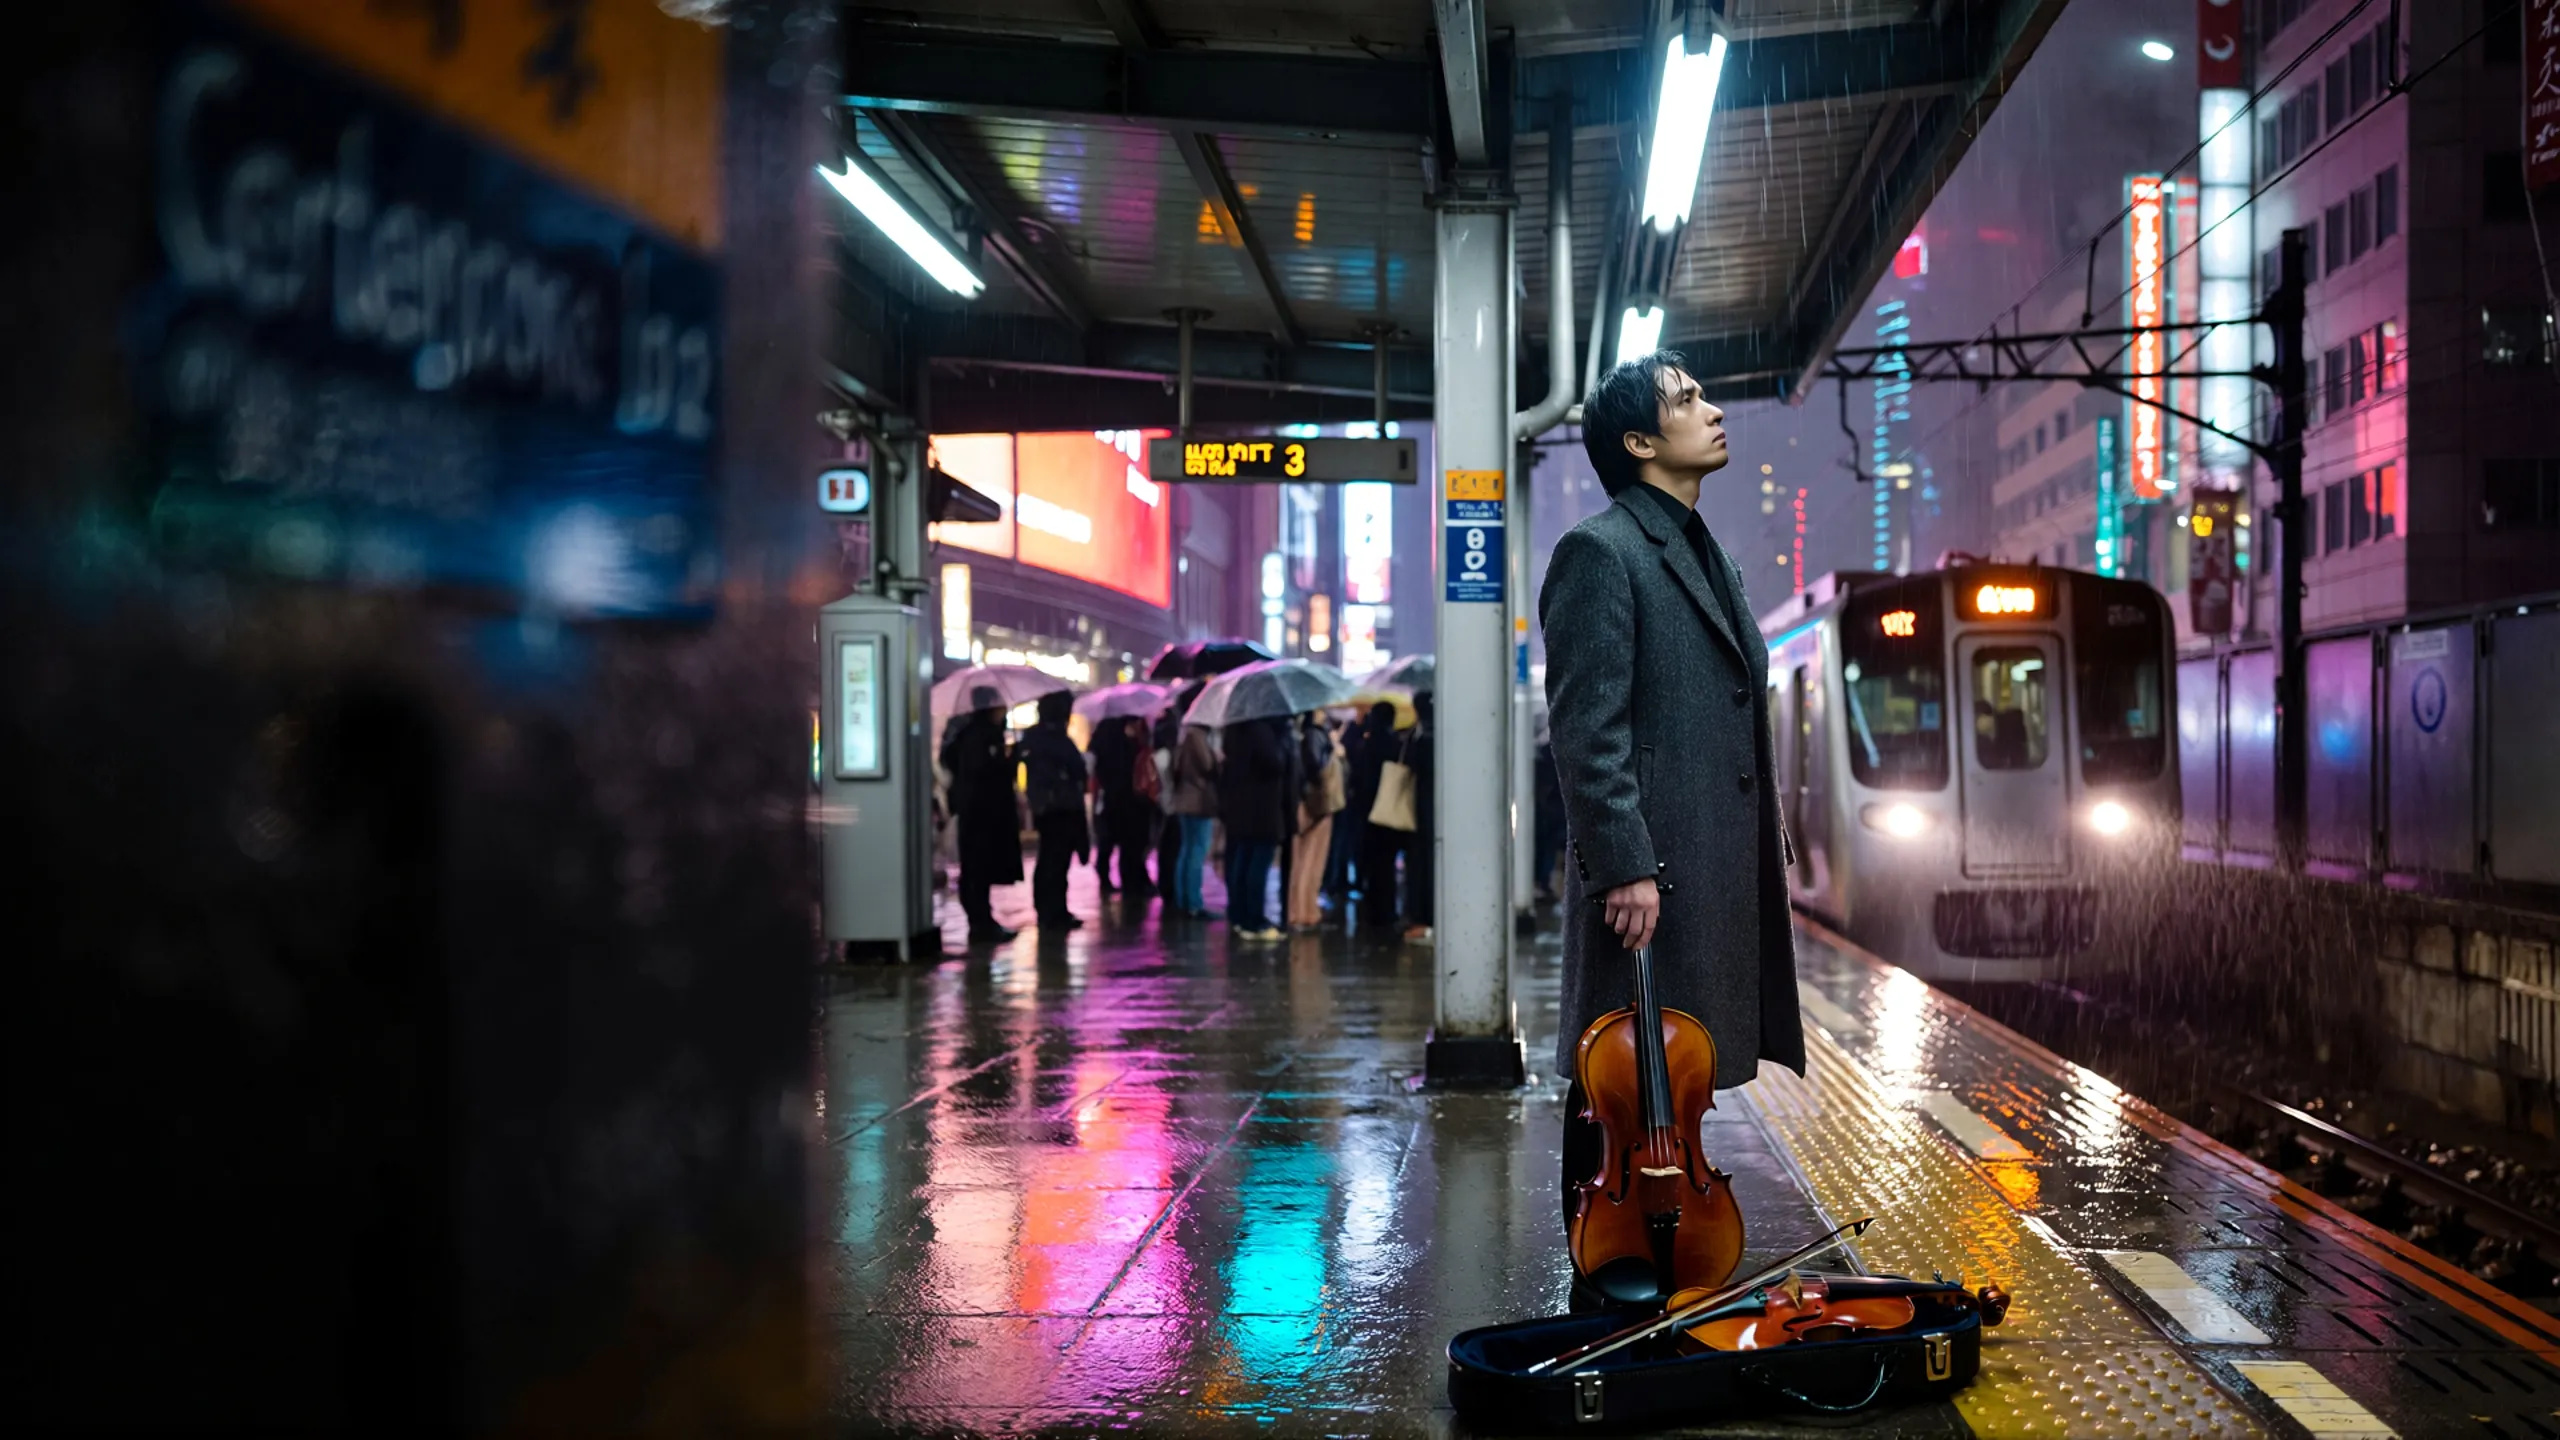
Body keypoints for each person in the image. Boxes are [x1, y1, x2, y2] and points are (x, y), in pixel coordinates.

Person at [1540, 349, 1804, 1255]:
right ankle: (1604, 1268)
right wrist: (1622, 865)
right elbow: (1586, 728)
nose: (1713, 409)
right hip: (1651, 876)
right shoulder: (1600, 552)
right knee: (1615, 1081)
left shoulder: (1702, 550)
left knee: (1670, 1086)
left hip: (1700, 862)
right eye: (1688, 400)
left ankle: (1662, 1263)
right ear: (1641, 442)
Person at [938, 685, 1021, 943]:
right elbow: (988, 774)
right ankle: (981, 923)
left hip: (975, 811)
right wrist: (1010, 760)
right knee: (978, 869)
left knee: (976, 868)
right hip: (983, 813)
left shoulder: (967, 734)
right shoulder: (982, 736)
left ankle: (982, 921)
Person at [1013, 690, 1090, 931]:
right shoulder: (1057, 740)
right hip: (1062, 807)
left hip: (1044, 808)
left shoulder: (1032, 738)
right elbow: (1078, 770)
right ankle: (1054, 912)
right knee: (1057, 861)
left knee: (1047, 859)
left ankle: (1047, 911)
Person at [1217, 713, 1295, 940]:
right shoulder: (1261, 730)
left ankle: (1240, 916)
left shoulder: (1235, 728)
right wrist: (1282, 738)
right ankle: (1254, 921)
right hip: (1262, 809)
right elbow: (1275, 763)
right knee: (1257, 864)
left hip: (1241, 808)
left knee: (1243, 861)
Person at [1285, 711, 1342, 931]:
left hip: (1301, 802)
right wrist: (1334, 751)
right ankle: (1307, 913)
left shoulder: (1297, 734)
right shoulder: (1315, 735)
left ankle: (1298, 910)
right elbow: (1315, 767)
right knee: (1312, 859)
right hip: (1316, 804)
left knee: (1301, 859)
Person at [1167, 695, 1220, 918]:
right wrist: (1217, 757)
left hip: (1185, 800)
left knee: (1187, 850)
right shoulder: (1196, 736)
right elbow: (1207, 765)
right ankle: (1193, 904)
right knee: (1196, 851)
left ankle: (1183, 900)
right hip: (1197, 801)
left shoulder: (1184, 735)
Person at [1403, 691, 1436, 943]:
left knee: (1420, 864)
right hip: (1432, 810)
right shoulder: (1436, 735)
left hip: (1417, 808)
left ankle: (1421, 916)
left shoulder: (1418, 736)